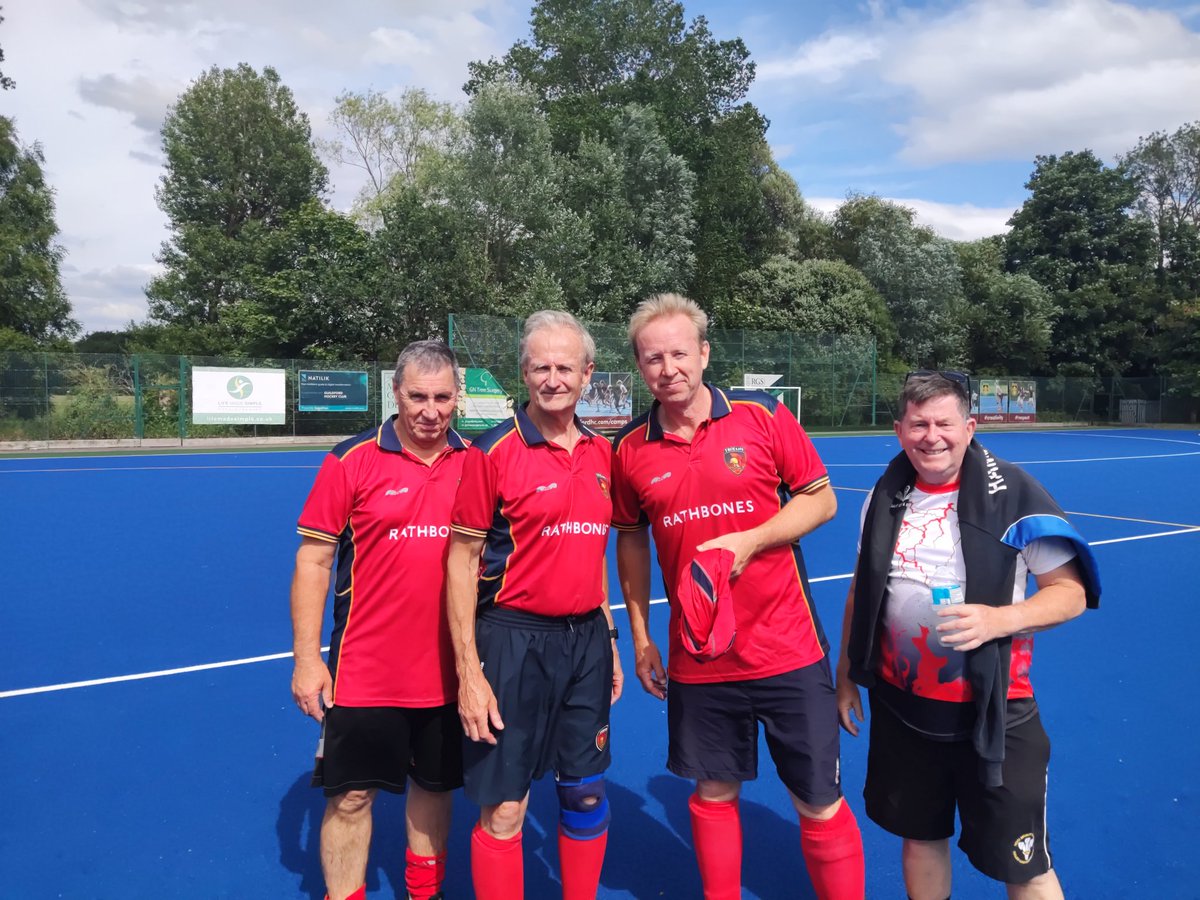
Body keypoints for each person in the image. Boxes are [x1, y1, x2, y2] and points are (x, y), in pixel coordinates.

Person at [611, 293, 865, 900]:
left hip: (789, 648)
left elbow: (821, 500)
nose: (668, 368)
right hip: (700, 654)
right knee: (713, 795)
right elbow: (629, 542)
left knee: (819, 801)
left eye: (678, 352)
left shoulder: (763, 415)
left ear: (703, 352)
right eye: (653, 358)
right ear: (640, 368)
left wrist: (752, 540)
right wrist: (643, 638)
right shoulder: (628, 448)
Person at [836, 371, 1101, 900]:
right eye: (918, 424)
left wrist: (998, 619)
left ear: (970, 427)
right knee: (920, 837)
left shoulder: (1016, 495)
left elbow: (1070, 594)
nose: (931, 436)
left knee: (1024, 864)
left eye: (944, 423)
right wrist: (845, 677)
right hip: (905, 708)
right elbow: (861, 593)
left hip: (996, 712)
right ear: (899, 430)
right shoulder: (884, 497)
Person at [446, 310, 624, 900]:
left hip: (587, 645)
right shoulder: (490, 452)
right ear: (524, 374)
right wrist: (469, 671)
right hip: (511, 641)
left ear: (587, 373)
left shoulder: (605, 454)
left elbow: (596, 549)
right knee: (505, 810)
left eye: (565, 366)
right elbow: (461, 560)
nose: (553, 378)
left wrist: (611, 638)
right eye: (541, 367)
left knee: (585, 793)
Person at [290, 341, 469, 900]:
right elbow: (314, 559)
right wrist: (306, 658)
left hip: (448, 670)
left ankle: (424, 892)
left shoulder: (477, 461)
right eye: (418, 396)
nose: (430, 411)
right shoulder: (352, 459)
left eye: (442, 398)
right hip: (365, 668)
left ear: (458, 398)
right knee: (350, 798)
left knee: (434, 790)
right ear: (396, 393)